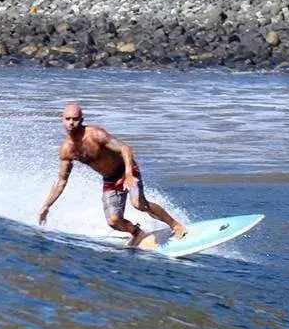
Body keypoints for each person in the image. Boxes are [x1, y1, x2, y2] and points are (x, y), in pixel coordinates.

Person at [37, 103, 187, 247]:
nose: (71, 123)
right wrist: (46, 205)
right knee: (113, 221)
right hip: (110, 179)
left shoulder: (95, 134)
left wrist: (129, 174)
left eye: (75, 119)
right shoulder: (66, 150)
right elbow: (62, 180)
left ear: (81, 120)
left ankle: (175, 225)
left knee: (139, 204)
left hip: (126, 169)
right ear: (62, 120)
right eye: (68, 119)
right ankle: (136, 233)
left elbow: (125, 148)